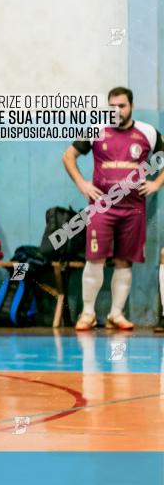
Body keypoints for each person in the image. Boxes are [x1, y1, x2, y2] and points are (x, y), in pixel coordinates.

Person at [62, 86, 164, 331]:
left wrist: (156, 183)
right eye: (112, 106)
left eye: (121, 106)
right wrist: (83, 185)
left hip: (133, 209)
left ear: (131, 107)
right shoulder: (96, 130)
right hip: (102, 208)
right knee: (94, 260)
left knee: (124, 262)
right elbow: (68, 157)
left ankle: (116, 314)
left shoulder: (148, 133)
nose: (116, 110)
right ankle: (87, 314)